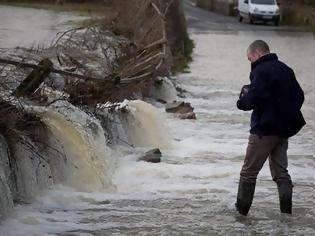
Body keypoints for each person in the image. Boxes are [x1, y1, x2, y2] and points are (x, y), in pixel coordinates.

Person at [236, 40, 306, 216]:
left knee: (248, 173)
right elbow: (299, 96)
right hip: (283, 131)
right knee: (281, 173)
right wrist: (284, 115)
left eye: (250, 58)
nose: (250, 62)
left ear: (258, 54)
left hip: (264, 131)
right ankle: (286, 214)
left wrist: (241, 101)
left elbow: (254, 99)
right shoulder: (286, 69)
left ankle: (240, 215)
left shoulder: (260, 70)